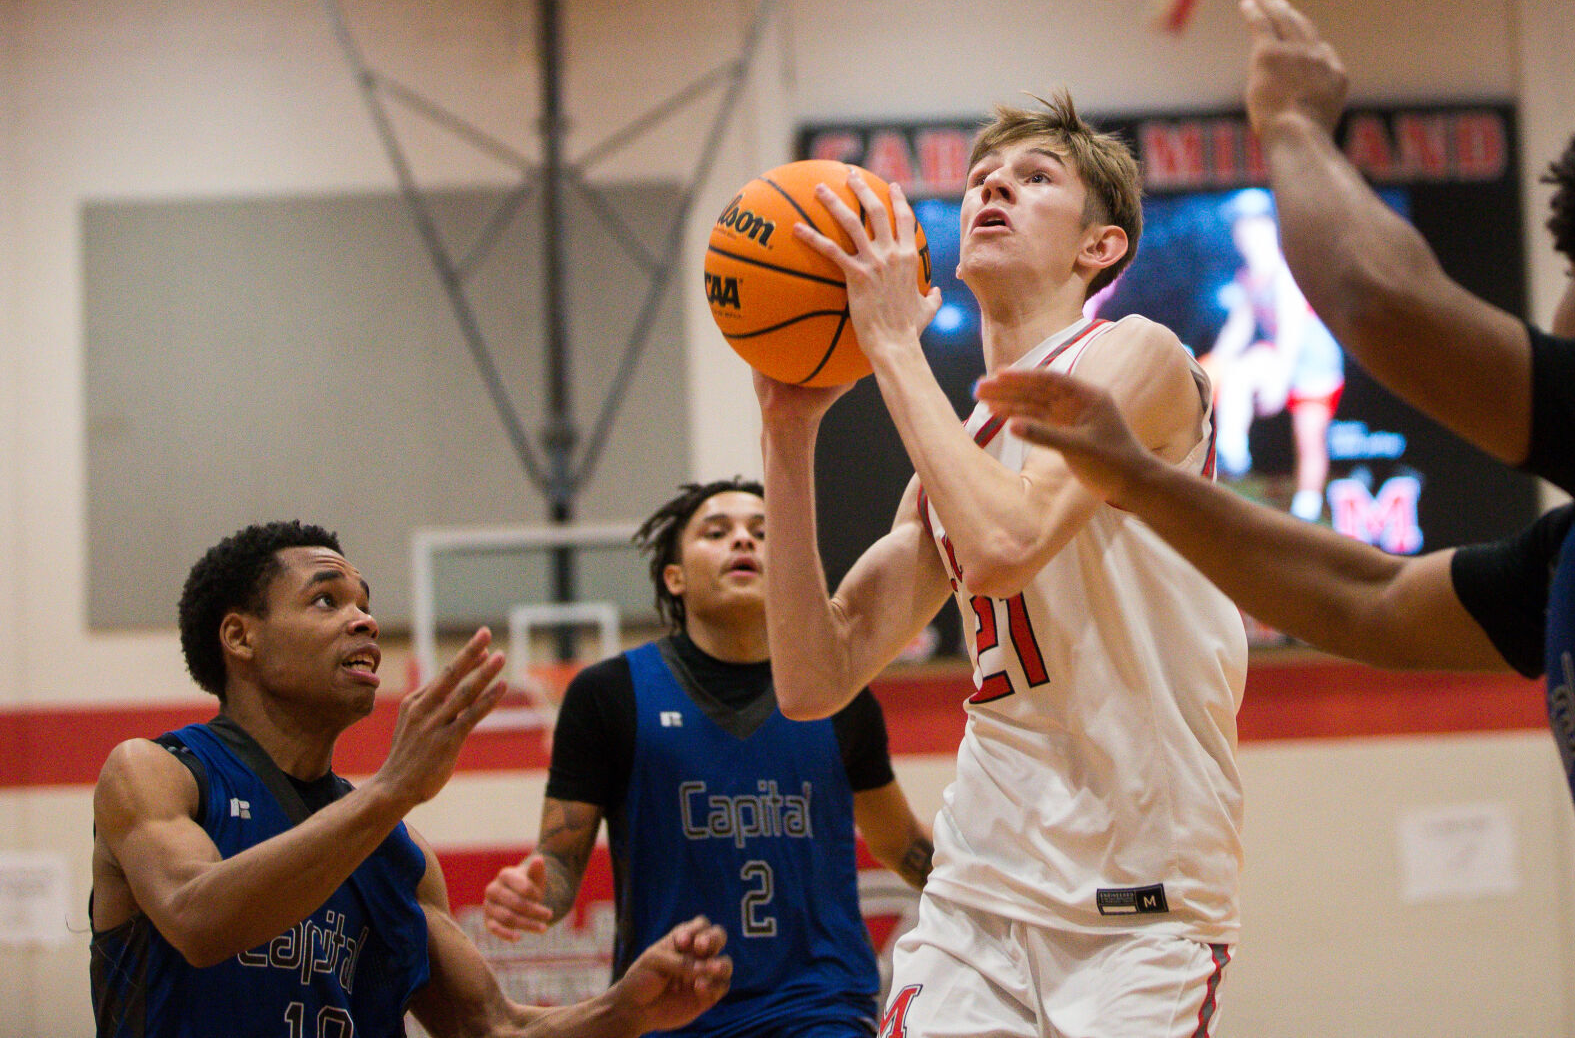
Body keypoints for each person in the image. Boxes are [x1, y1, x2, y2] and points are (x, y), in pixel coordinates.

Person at [976, 0, 1575, 1035]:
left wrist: (1292, 125)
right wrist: (1140, 476)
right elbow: (1365, 594)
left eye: (1569, 275)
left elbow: (1379, 303)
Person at [755, 93, 1248, 1036]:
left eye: (1034, 179)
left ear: (1098, 247)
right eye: (984, 178)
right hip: (978, 892)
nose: (995, 188)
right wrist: (787, 432)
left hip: (1138, 900)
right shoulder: (954, 459)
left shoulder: (1139, 358)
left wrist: (891, 345)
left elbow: (1007, 546)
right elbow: (815, 678)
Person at [91, 520, 732, 1038]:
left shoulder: (400, 855)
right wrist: (392, 789)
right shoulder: (157, 774)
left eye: (366, 605)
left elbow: (489, 1028)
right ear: (240, 636)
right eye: (326, 600)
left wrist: (624, 1011)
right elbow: (197, 920)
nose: (365, 621)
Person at [482, 480, 934, 1037]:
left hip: (821, 1008)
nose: (742, 541)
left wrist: (989, 884)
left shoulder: (840, 694)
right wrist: (532, 894)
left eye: (763, 533)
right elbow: (559, 864)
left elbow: (898, 841)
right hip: (667, 1009)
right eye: (717, 532)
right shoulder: (609, 693)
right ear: (675, 578)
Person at [1202, 186, 1345, 520]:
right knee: (1238, 370)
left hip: (1313, 365)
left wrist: (1281, 380)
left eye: (1257, 225)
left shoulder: (1286, 270)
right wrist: (1209, 367)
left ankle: (1306, 509)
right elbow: (1238, 331)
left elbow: (1292, 331)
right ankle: (1232, 450)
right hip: (1278, 357)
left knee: (1310, 437)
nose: (1249, 235)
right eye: (1242, 227)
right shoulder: (1248, 278)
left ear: (1271, 228)